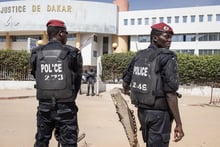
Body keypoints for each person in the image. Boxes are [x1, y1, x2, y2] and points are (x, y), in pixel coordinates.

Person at [122, 22, 184, 147]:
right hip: (159, 115)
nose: (169, 40)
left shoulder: (139, 56)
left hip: (142, 113)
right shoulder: (167, 57)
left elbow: (125, 83)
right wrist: (179, 123)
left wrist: (134, 93)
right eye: (166, 36)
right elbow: (170, 94)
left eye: (170, 37)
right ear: (155, 38)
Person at [30, 19, 83, 147]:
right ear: (60, 33)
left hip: (44, 107)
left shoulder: (36, 53)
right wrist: (68, 98)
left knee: (41, 142)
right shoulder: (72, 53)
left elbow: (35, 75)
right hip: (66, 108)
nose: (67, 36)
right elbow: (77, 81)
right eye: (66, 33)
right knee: (69, 143)